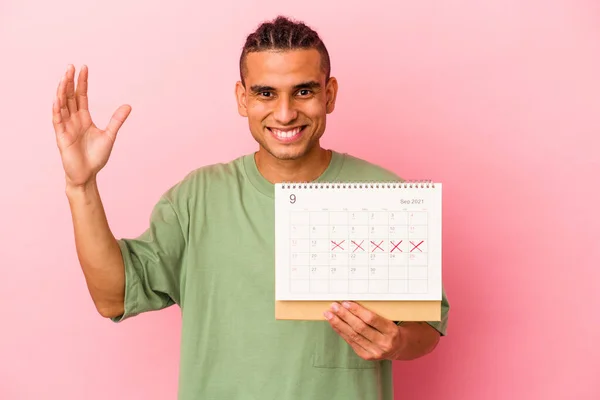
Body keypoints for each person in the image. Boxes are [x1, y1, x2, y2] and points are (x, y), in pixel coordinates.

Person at [52, 15, 449, 400]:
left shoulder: (383, 195)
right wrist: (81, 184)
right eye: (265, 93)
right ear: (243, 99)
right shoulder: (197, 198)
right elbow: (113, 298)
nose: (284, 112)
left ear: (329, 94)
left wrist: (395, 343)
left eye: (304, 91)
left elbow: (428, 328)